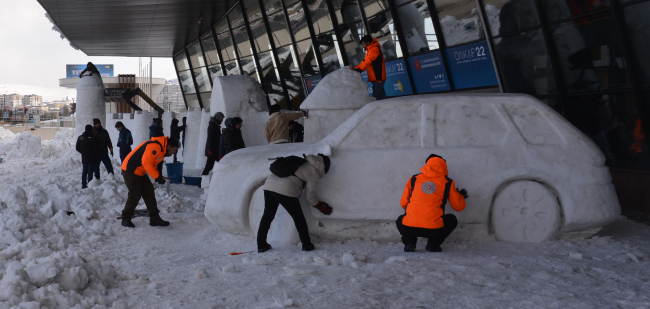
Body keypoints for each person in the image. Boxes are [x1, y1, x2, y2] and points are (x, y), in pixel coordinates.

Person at [257, 154, 333, 252]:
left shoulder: (301, 162)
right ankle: (307, 244)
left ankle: (261, 244)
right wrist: (320, 206)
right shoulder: (313, 171)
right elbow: (310, 196)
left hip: (268, 186)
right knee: (298, 218)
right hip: (285, 190)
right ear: (323, 166)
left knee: (267, 215)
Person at [396, 154, 468, 252]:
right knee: (452, 219)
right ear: (443, 166)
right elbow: (458, 207)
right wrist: (461, 196)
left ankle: (409, 243)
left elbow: (403, 203)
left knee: (400, 219)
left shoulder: (414, 179)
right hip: (434, 230)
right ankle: (433, 245)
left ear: (427, 165)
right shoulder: (448, 182)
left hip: (409, 228)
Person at [120, 136, 180, 228]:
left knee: (149, 192)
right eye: (174, 150)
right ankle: (126, 218)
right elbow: (146, 162)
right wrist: (156, 176)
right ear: (169, 146)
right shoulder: (155, 146)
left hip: (140, 171)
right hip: (130, 169)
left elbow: (152, 162)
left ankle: (154, 218)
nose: (174, 153)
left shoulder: (161, 149)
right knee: (135, 194)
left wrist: (158, 175)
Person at [352, 35, 387, 100]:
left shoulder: (374, 49)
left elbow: (368, 61)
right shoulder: (369, 51)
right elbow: (364, 61)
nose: (363, 46)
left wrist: (360, 69)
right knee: (381, 99)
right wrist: (355, 68)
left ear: (368, 43)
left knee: (376, 98)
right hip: (375, 78)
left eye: (363, 44)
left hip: (378, 77)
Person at [75, 125, 101, 189]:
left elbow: (77, 148)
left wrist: (83, 152)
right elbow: (96, 148)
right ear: (91, 129)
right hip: (92, 158)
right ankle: (90, 185)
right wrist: (97, 155)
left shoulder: (80, 137)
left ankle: (83, 185)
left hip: (84, 158)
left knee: (84, 171)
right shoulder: (93, 138)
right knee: (90, 172)